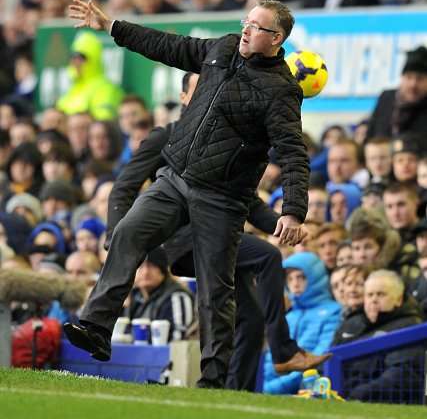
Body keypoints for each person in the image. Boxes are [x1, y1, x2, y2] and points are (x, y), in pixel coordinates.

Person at [64, 0, 310, 389]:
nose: (246, 29)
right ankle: (96, 324)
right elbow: (169, 46)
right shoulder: (223, 47)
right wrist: (112, 27)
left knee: (215, 290)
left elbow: (294, 153)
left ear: (276, 38)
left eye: (257, 26)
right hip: (176, 177)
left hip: (222, 198)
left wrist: (294, 210)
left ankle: (213, 380)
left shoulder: (281, 90)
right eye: (247, 21)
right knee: (128, 232)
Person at [103, 71, 327, 391]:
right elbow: (123, 188)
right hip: (186, 242)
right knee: (266, 256)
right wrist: (117, 235)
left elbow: (248, 201)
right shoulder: (165, 137)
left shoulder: (227, 143)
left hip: (220, 240)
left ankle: (236, 394)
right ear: (183, 98)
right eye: (201, 88)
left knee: (249, 317)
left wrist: (283, 225)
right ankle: (283, 350)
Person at [333, 270, 424, 403]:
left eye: (381, 294)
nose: (373, 299)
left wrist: (357, 395)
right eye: (369, 295)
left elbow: (401, 374)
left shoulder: (410, 327)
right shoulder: (351, 323)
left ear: (398, 299)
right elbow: (328, 359)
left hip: (373, 402)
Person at [263, 252, 341, 394]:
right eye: (290, 278)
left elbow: (318, 358)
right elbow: (271, 361)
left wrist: (267, 389)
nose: (295, 283)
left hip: (310, 389)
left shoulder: (333, 311)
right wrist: (260, 383)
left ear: (316, 278)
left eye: (301, 277)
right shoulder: (289, 315)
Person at [366, 46, 427, 154]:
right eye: (409, 77)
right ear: (401, 78)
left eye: (420, 78)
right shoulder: (387, 98)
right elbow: (371, 134)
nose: (413, 84)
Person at [56, 31, 124, 120]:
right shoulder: (73, 88)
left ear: (94, 60)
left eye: (81, 58)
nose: (76, 63)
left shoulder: (106, 88)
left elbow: (104, 122)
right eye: (73, 57)